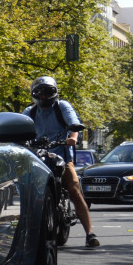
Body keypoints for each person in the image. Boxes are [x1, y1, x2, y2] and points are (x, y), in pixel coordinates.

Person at [24, 76, 99, 248]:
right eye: (40, 93)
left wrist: (72, 137)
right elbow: (19, 127)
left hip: (61, 157)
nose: (43, 97)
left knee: (74, 189)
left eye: (47, 92)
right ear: (34, 95)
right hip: (38, 158)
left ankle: (90, 233)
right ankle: (28, 235)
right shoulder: (30, 112)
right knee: (27, 191)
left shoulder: (62, 106)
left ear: (55, 92)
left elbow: (73, 123)